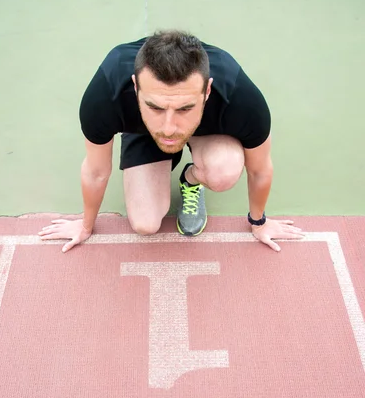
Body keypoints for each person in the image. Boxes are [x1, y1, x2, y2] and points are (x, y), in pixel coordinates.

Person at [38, 30, 303, 252]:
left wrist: (259, 222)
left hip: (208, 130)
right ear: (136, 86)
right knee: (145, 224)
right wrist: (85, 226)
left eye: (184, 108)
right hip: (142, 132)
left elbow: (259, 169)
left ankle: (190, 179)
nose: (169, 127)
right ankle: (159, 124)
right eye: (155, 107)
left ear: (207, 90)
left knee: (224, 172)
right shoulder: (105, 92)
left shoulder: (240, 96)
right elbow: (96, 172)